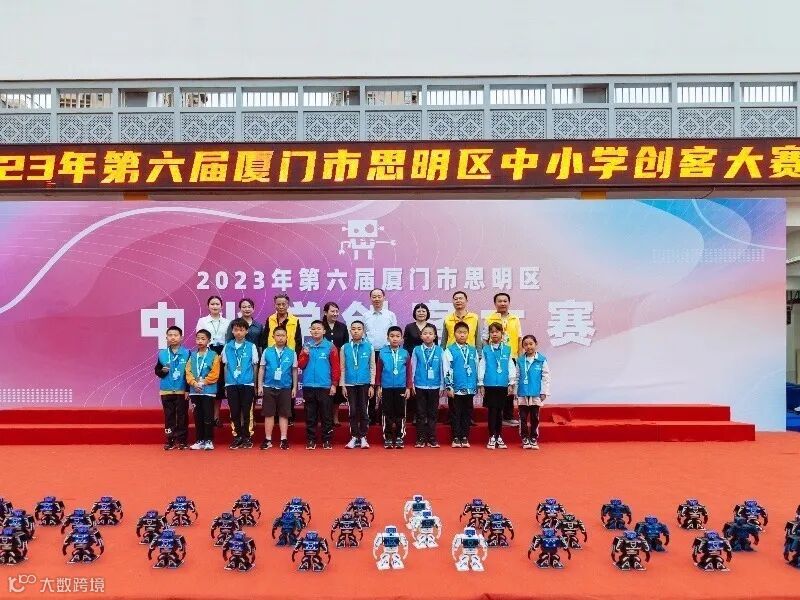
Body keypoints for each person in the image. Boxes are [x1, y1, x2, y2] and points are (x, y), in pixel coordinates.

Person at [260, 293, 304, 426]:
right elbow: (265, 338)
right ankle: (273, 416)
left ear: (288, 305)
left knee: (288, 387)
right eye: (278, 304)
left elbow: (298, 340)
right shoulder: (270, 319)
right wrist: (267, 355)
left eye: (283, 304)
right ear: (275, 305)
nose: (281, 306)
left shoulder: (295, 320)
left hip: (288, 357)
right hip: (272, 357)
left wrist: (294, 357)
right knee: (271, 387)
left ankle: (288, 416)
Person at [297, 320, 341, 450]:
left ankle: (327, 440)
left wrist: (334, 384)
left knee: (326, 415)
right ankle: (311, 440)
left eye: (319, 328)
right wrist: (305, 354)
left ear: (324, 331)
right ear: (310, 331)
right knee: (310, 415)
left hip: (325, 386)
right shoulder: (306, 346)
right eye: (313, 329)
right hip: (309, 385)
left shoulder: (330, 347)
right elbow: (301, 365)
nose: (316, 331)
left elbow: (336, 367)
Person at [483, 292, 522, 426]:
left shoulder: (515, 319)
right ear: (495, 303)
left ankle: (508, 416)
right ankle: (496, 416)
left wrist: (520, 357)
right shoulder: (489, 318)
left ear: (509, 303)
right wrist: (488, 354)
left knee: (510, 386)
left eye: (505, 301)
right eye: (499, 301)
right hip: (494, 358)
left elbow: (519, 338)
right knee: (496, 387)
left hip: (511, 356)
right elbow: (485, 339)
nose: (502, 303)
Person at [257, 326, 297, 451]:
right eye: (278, 335)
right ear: (273, 337)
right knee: (268, 414)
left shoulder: (292, 352)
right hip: (269, 386)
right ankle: (268, 439)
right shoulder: (267, 351)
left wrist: (294, 387)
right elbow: (262, 368)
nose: (280, 338)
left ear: (287, 337)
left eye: (283, 335)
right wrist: (260, 385)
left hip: (285, 387)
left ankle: (283, 439)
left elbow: (294, 371)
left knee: (284, 414)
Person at [478, 322, 517, 449]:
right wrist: (481, 383)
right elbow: (482, 366)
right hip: (489, 385)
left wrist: (511, 382)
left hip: (502, 384)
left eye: (497, 331)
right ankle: (491, 436)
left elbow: (511, 366)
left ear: (502, 334)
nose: (494, 334)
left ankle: (499, 436)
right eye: (492, 332)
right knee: (492, 411)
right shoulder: (486, 349)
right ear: (489, 334)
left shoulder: (507, 349)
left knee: (500, 411)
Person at [222, 318, 259, 449]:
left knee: (247, 411)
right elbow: (225, 366)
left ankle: (247, 436)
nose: (238, 332)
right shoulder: (227, 346)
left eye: (241, 330)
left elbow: (255, 366)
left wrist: (255, 384)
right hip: (231, 384)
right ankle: (237, 436)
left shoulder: (251, 346)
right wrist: (226, 383)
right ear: (232, 331)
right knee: (234, 411)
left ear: (246, 331)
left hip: (247, 383)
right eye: (236, 330)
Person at [363, 288, 397, 425]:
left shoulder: (390, 315)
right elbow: (363, 335)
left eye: (379, 296)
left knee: (385, 383)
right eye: (374, 296)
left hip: (386, 352)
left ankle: (384, 416)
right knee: (371, 383)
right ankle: (370, 416)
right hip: (370, 353)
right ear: (370, 299)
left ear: (384, 297)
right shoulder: (366, 315)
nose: (377, 299)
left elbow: (394, 333)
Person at [340, 320, 375, 449]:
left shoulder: (369, 347)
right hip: (349, 383)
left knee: (364, 410)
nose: (356, 331)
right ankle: (354, 436)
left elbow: (372, 367)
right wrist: (343, 385)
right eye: (353, 329)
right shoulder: (345, 347)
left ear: (363, 331)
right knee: (353, 410)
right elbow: (342, 367)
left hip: (365, 383)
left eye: (359, 329)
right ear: (350, 331)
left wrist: (372, 385)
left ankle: (363, 436)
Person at [443, 322, 479, 448]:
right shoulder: (450, 350)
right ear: (454, 334)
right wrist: (449, 386)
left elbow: (476, 368)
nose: (462, 335)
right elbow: (447, 369)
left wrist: (476, 384)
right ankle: (456, 437)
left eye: (464, 332)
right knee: (455, 413)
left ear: (468, 334)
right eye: (459, 332)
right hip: (456, 388)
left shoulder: (473, 350)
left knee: (467, 413)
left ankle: (464, 437)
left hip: (469, 388)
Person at [195, 296, 230, 428]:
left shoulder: (227, 322)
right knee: (209, 384)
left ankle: (216, 417)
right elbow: (200, 338)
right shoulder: (202, 321)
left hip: (222, 353)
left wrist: (223, 354)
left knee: (219, 386)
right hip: (207, 352)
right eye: (212, 304)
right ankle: (207, 417)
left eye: (217, 304)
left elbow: (229, 340)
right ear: (208, 306)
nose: (215, 306)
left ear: (222, 306)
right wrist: (209, 354)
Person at [154, 325, 190, 450]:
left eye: (175, 335)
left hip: (181, 390)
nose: (173, 337)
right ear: (166, 338)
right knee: (169, 416)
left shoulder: (187, 353)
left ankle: (182, 441)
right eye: (170, 335)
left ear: (181, 337)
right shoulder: (162, 354)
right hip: (166, 390)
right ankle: (170, 440)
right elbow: (157, 371)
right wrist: (162, 371)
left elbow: (189, 373)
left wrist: (188, 390)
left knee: (182, 416)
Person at [375, 326, 412, 449]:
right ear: (387, 338)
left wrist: (408, 387)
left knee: (401, 413)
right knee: (387, 413)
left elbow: (409, 372)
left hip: (401, 387)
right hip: (386, 387)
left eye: (397, 336)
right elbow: (379, 371)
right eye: (392, 336)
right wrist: (378, 386)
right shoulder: (382, 353)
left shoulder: (405, 353)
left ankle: (400, 436)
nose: (395, 339)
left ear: (401, 339)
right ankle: (388, 437)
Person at [185, 329, 221, 450]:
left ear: (209, 341)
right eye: (198, 338)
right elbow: (188, 372)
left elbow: (215, 373)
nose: (200, 341)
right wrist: (194, 383)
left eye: (203, 339)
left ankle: (208, 440)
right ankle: (199, 440)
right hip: (195, 391)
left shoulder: (214, 355)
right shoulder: (192, 355)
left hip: (208, 391)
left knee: (208, 416)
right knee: (198, 417)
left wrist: (203, 382)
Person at [410, 324, 444, 448]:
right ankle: (420, 438)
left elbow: (442, 369)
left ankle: (432, 438)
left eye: (430, 333)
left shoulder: (440, 350)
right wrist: (412, 384)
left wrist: (442, 385)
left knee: (432, 414)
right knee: (420, 413)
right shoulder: (417, 350)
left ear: (435, 336)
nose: (428, 336)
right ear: (421, 336)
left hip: (435, 386)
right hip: (420, 385)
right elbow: (413, 367)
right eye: (425, 333)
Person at [516, 335, 551, 450]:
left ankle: (534, 438)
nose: (528, 346)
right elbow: (517, 377)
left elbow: (546, 377)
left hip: (536, 393)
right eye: (525, 344)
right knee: (522, 417)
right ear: (523, 347)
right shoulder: (520, 360)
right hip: (522, 393)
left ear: (536, 344)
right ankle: (525, 438)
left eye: (531, 344)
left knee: (535, 417)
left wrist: (544, 392)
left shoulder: (541, 360)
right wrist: (516, 392)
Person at [322, 302, 349, 427]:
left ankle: (335, 417)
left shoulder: (342, 327)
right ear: (325, 312)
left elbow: (346, 345)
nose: (335, 313)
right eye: (332, 311)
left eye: (337, 311)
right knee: (324, 391)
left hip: (338, 362)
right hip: (323, 362)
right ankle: (324, 418)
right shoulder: (320, 326)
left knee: (336, 391)